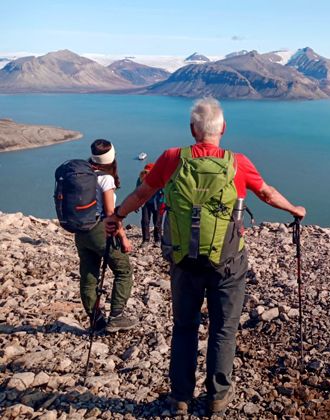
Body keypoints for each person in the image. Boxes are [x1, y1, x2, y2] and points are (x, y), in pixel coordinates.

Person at [105, 97, 306, 415]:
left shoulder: (172, 158)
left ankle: (181, 397)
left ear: (192, 130)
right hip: (227, 262)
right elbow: (266, 192)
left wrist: (117, 215)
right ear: (223, 128)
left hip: (184, 261)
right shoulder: (237, 162)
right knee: (223, 329)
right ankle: (217, 397)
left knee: (185, 327)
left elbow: (143, 193)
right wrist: (294, 209)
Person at [75, 139, 138, 333]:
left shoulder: (82, 174)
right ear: (111, 157)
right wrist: (123, 238)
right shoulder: (105, 178)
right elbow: (111, 214)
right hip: (99, 231)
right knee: (123, 270)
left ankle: (96, 320)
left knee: (88, 275)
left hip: (81, 231)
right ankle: (116, 317)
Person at [136, 163, 163, 245]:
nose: (147, 174)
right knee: (145, 221)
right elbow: (137, 192)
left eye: (148, 172)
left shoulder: (159, 179)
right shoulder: (140, 180)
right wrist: (136, 205)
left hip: (157, 202)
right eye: (145, 172)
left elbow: (164, 192)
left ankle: (158, 240)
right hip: (145, 202)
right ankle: (145, 240)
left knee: (157, 221)